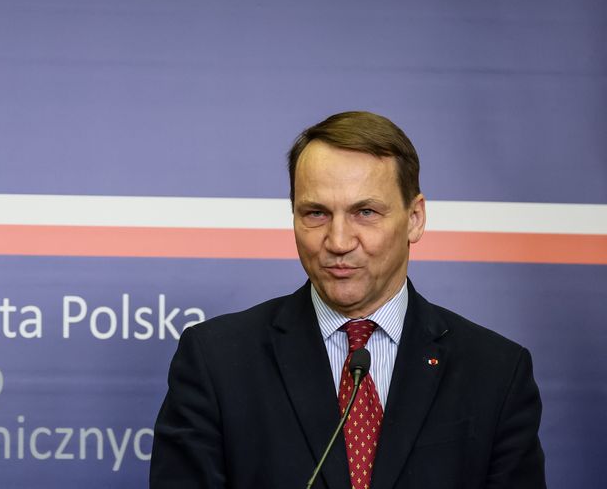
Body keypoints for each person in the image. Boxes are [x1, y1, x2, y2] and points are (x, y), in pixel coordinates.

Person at [149, 111, 545, 489]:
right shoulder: (216, 361)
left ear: (415, 218)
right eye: (316, 213)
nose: (338, 242)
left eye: (365, 212)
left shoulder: (496, 372)